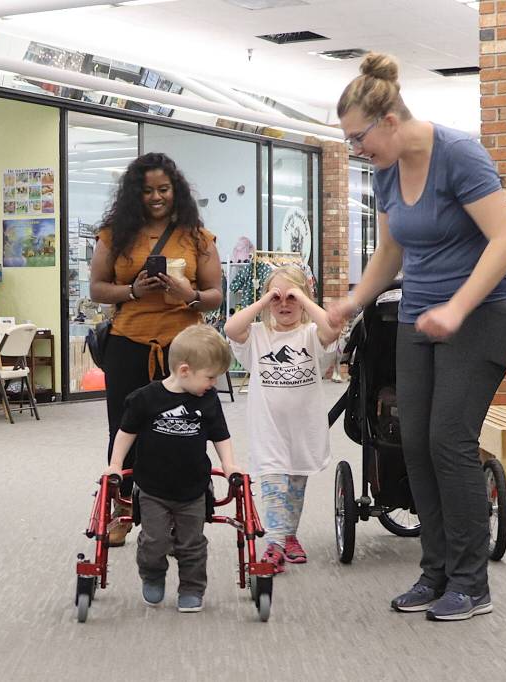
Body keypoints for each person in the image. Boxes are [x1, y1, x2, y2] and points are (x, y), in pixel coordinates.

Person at [327, 53, 506, 621]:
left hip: (486, 311)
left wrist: (459, 308)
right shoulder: (386, 169)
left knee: (448, 441)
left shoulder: (459, 154)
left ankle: (471, 582)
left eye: (359, 137)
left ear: (390, 119)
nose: (357, 150)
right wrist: (352, 302)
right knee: (410, 441)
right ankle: (435, 571)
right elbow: (391, 252)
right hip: (419, 315)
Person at [90, 152, 224, 547]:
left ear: (175, 190)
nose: (156, 197)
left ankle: (190, 500)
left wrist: (190, 294)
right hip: (128, 344)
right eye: (147, 190)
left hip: (185, 351)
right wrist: (133, 290)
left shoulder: (198, 236)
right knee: (125, 428)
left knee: (186, 426)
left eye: (163, 189)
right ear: (135, 193)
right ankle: (122, 508)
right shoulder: (114, 234)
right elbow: (97, 288)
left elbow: (215, 295)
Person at [102, 324, 241, 613]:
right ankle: (152, 574)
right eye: (210, 377)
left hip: (194, 487)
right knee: (154, 541)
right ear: (185, 370)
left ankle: (192, 588)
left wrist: (229, 465)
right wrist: (115, 464)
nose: (214, 384)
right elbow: (125, 432)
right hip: (152, 487)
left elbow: (220, 435)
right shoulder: (146, 399)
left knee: (192, 544)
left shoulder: (207, 400)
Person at [224, 265, 341, 571]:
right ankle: (274, 544)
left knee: (294, 488)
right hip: (269, 430)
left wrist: (302, 296)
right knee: (274, 484)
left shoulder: (311, 334)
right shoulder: (258, 336)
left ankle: (289, 536)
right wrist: (264, 301)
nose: (284, 304)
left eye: (292, 297)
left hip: (303, 430)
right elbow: (231, 329)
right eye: (277, 298)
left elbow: (332, 329)